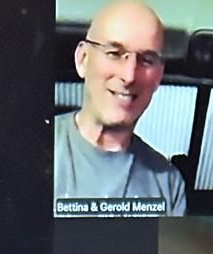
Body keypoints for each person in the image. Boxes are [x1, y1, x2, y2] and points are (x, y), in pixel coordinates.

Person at [53, 1, 186, 215]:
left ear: (158, 76)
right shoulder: (30, 149)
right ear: (83, 59)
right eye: (114, 53)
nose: (129, 75)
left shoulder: (168, 185)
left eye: (146, 60)